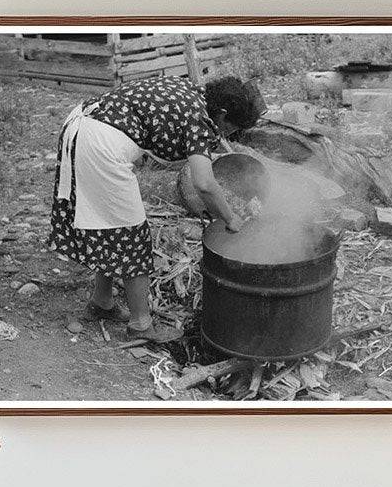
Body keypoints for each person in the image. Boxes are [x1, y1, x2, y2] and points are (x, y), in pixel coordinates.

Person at [50, 73, 265, 342]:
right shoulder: (199, 121)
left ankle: (102, 302)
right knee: (132, 236)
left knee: (109, 223)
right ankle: (140, 325)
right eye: (232, 127)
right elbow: (204, 184)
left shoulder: (193, 92)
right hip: (100, 144)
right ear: (222, 113)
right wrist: (230, 218)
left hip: (83, 124)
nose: (229, 134)